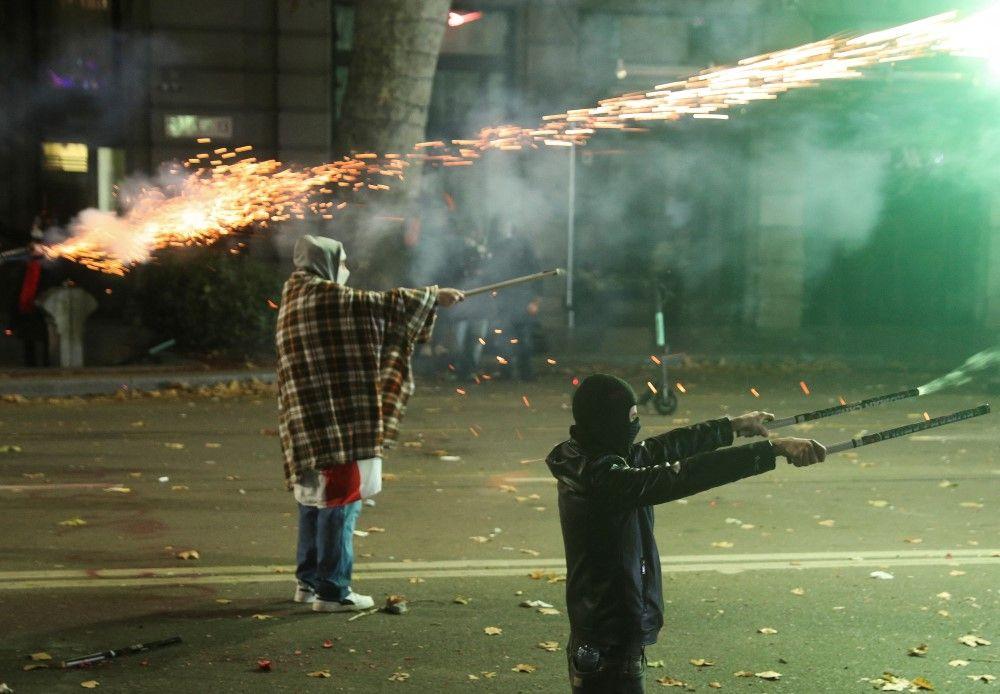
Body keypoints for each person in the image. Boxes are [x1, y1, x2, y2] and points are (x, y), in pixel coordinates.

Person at [546, 374, 826, 693]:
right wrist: (771, 450)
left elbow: (660, 448)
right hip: (611, 639)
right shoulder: (605, 479)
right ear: (608, 422)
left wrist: (730, 427)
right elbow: (682, 476)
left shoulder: (590, 457)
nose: (636, 426)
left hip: (598, 633)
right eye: (631, 418)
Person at [276, 235, 464, 612]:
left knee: (314, 500)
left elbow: (365, 309)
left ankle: (308, 582)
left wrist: (428, 299)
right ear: (325, 264)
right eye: (342, 261)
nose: (346, 270)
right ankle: (333, 590)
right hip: (338, 422)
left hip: (309, 421)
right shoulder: (323, 296)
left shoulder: (296, 297)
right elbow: (378, 305)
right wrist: (432, 296)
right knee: (340, 502)